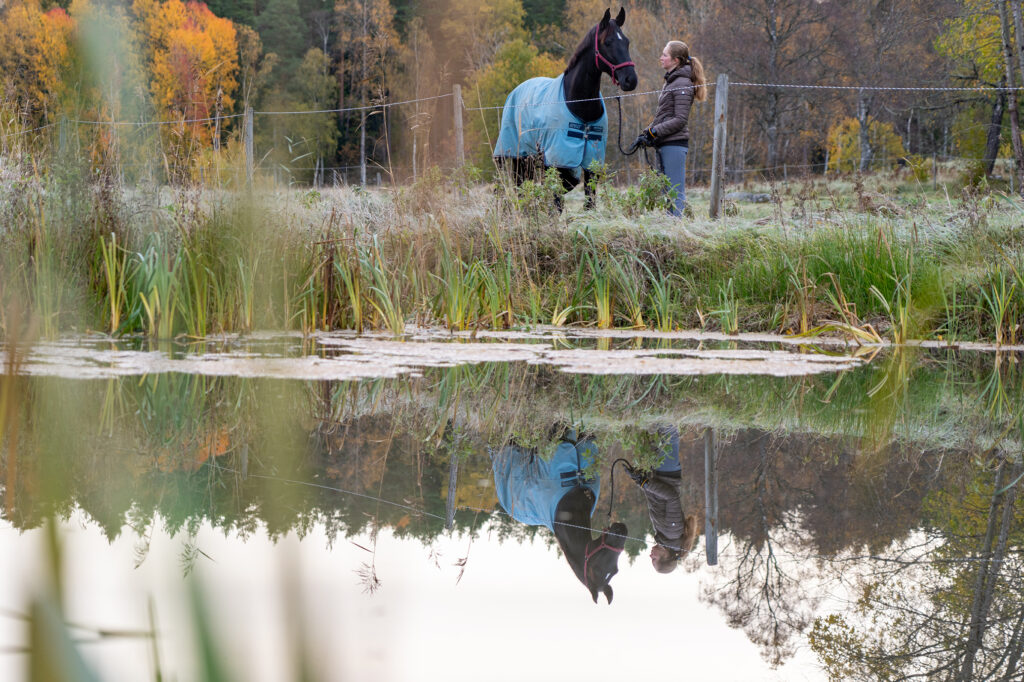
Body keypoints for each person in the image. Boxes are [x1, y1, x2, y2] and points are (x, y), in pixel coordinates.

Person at [633, 41, 708, 217]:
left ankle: (677, 231)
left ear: (675, 60)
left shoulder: (681, 83)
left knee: (675, 191)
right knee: (668, 192)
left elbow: (680, 119)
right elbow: (664, 116)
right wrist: (646, 133)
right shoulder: (672, 82)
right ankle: (671, 228)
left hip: (674, 144)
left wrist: (654, 132)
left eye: (664, 55)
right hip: (665, 143)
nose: (661, 58)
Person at [626, 424, 698, 573]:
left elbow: (657, 501)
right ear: (666, 556)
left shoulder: (663, 535)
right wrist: (645, 484)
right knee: (668, 427)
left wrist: (640, 479)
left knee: (654, 425)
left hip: (658, 472)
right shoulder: (672, 532)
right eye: (654, 559)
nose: (650, 556)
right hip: (667, 471)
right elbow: (672, 497)